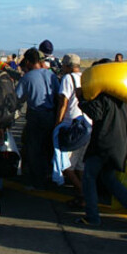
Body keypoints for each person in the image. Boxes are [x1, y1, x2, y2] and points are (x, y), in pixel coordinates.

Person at [77, 72, 127, 227]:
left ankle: (92, 217)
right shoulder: (125, 102)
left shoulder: (103, 98)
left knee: (89, 177)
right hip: (118, 145)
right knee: (108, 179)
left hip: (102, 145)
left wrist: (81, 98)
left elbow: (94, 113)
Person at [15, 48, 60, 190]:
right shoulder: (51, 75)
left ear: (28, 62)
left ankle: (37, 181)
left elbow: (17, 98)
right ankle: (49, 175)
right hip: (51, 114)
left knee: (34, 148)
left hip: (36, 115)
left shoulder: (27, 77)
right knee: (48, 147)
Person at [54, 53, 86, 205]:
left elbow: (63, 102)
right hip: (86, 123)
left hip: (71, 124)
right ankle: (83, 194)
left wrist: (58, 123)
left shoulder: (68, 78)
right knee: (79, 164)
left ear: (67, 66)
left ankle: (82, 193)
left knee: (64, 164)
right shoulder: (85, 78)